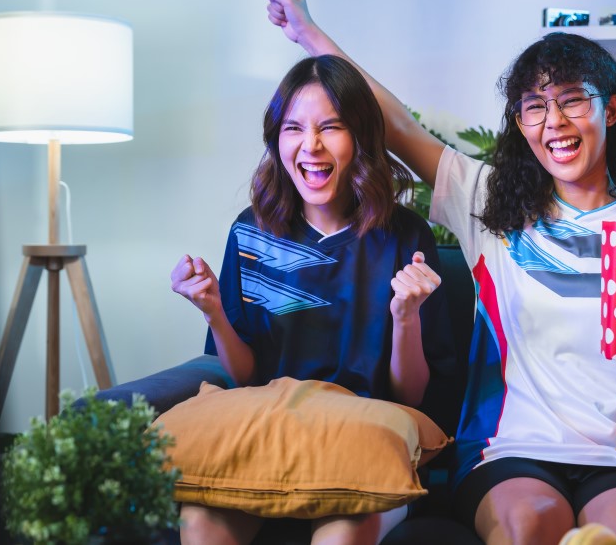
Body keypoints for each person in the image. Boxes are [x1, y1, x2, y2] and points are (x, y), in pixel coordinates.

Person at [261, 0, 616, 545]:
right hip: (511, 448)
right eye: (534, 106)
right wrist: (308, 33)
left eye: (573, 100)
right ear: (522, 124)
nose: (554, 120)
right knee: (529, 527)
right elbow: (397, 126)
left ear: (611, 109)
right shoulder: (491, 204)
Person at [170, 53, 456, 545]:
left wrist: (405, 317)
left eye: (331, 127)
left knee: (345, 535)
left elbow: (410, 397)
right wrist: (214, 311)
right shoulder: (253, 231)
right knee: (199, 525)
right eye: (293, 128)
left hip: (361, 446)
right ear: (276, 138)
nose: (311, 146)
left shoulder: (403, 236)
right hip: (268, 437)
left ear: (361, 137)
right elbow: (243, 376)